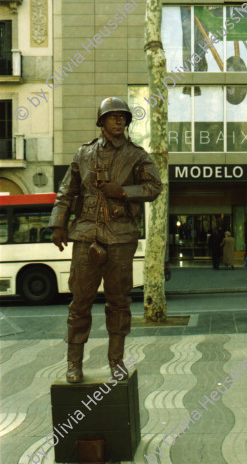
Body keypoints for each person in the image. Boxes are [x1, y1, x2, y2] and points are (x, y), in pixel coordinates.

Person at [49, 97, 162, 384]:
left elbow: (154, 187)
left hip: (121, 236)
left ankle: (116, 361)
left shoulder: (137, 155)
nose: (119, 120)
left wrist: (123, 192)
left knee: (119, 302)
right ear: (101, 121)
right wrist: (58, 225)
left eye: (122, 116)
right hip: (86, 235)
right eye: (112, 116)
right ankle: (74, 363)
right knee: (80, 302)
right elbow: (66, 191)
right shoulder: (83, 153)